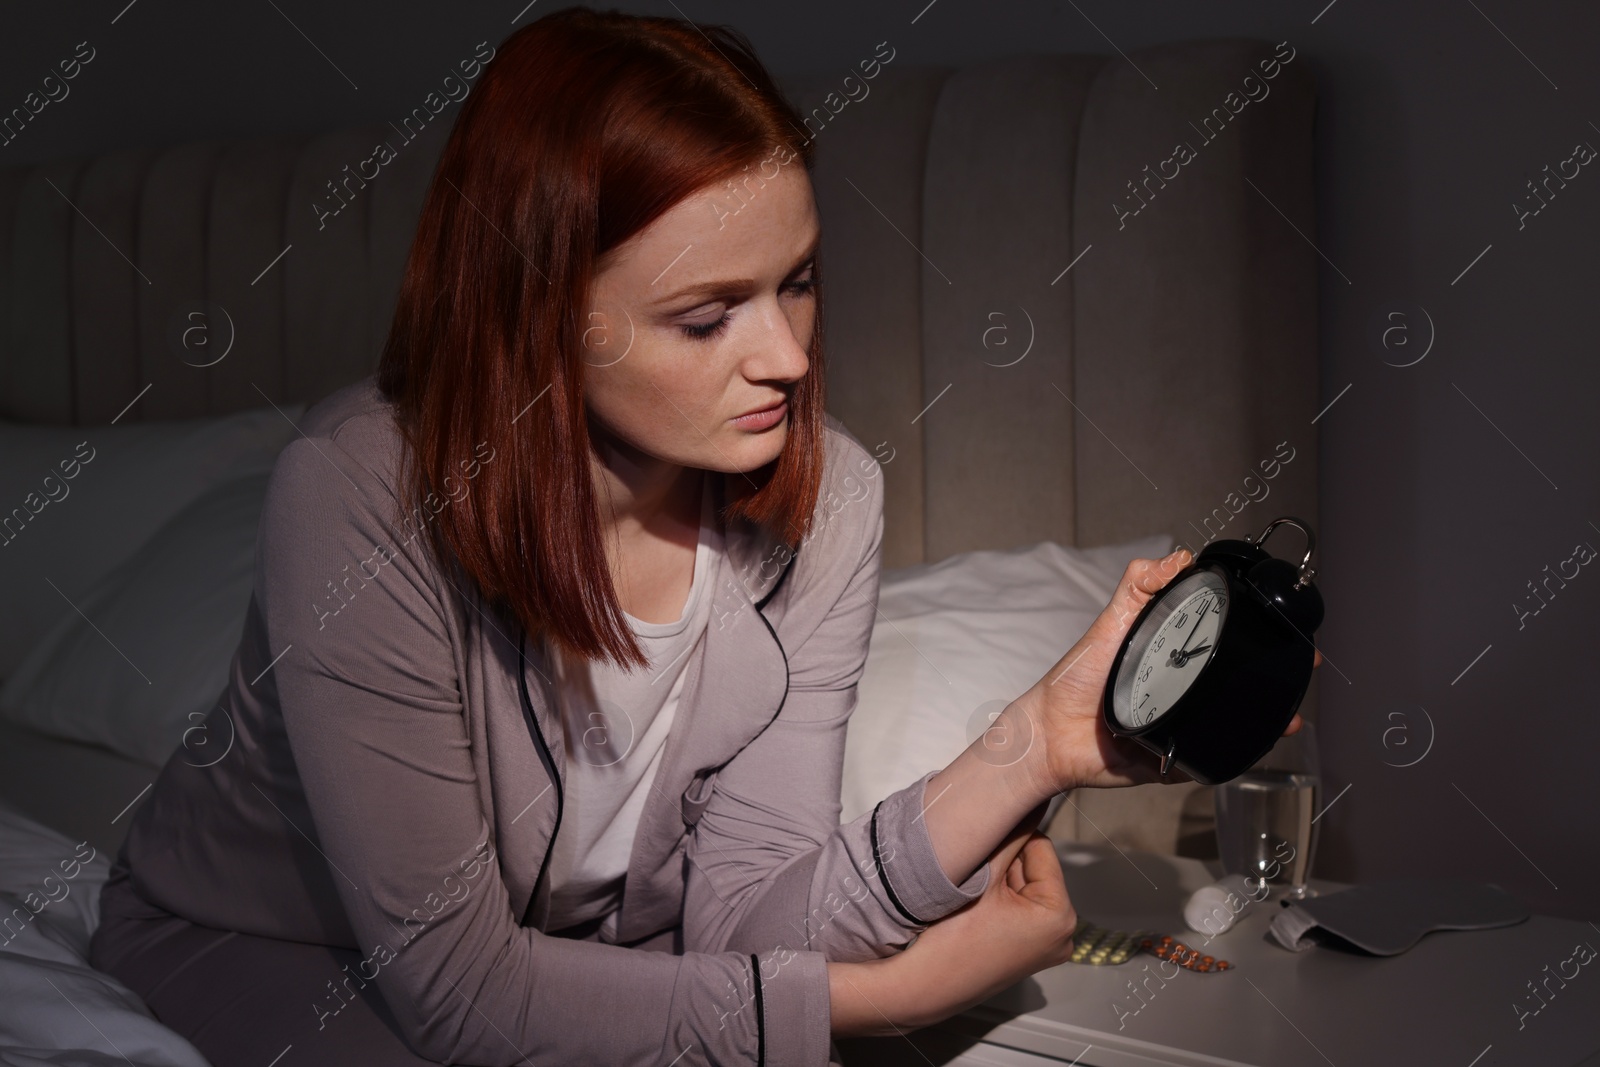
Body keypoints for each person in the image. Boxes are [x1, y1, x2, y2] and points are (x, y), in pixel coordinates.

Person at [89, 8, 1314, 1065]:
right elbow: (459, 990)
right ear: (543, 316)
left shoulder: (828, 499)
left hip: (567, 963)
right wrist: (873, 1000)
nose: (784, 356)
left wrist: (1033, 746)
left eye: (797, 280)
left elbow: (743, 927)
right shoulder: (360, 496)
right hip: (259, 940)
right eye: (706, 314)